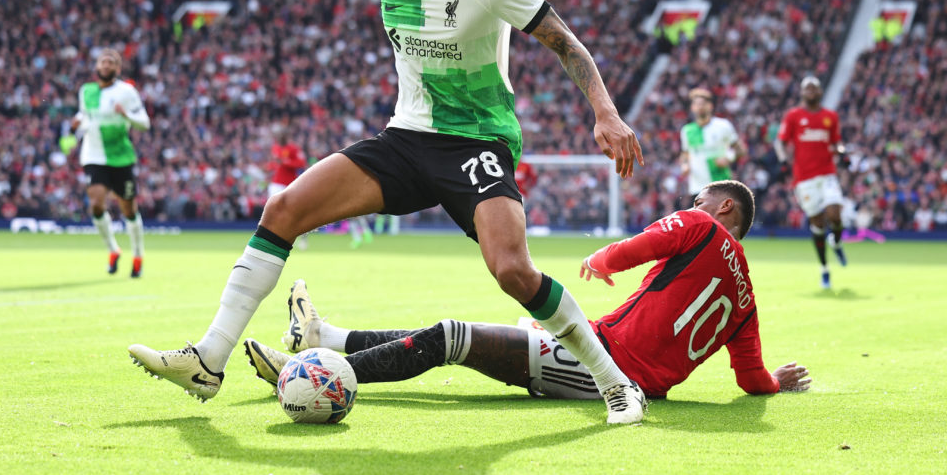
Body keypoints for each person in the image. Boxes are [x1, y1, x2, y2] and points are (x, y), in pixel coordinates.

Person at [128, 0, 647, 424]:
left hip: (475, 140)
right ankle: (209, 359)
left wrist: (605, 112)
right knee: (283, 210)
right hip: (405, 137)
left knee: (513, 271)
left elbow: (564, 41)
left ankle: (615, 385)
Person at [244, 180, 811, 405]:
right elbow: (750, 379)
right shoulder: (747, 300)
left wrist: (601, 257)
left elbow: (644, 244)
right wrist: (776, 385)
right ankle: (323, 336)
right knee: (473, 337)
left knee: (453, 337)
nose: (691, 205)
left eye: (699, 199)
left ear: (724, 208)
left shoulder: (703, 226)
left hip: (605, 369)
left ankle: (314, 373)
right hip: (599, 350)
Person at [71, 48, 151, 277]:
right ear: (97, 66)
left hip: (120, 157)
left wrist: (126, 115)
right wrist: (76, 123)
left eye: (111, 62)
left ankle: (137, 255)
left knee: (129, 209)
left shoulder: (126, 91)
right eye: (102, 61)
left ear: (117, 68)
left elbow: (144, 123)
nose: (106, 65)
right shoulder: (86, 91)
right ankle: (113, 249)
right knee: (96, 203)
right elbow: (85, 115)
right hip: (93, 155)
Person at [774, 76, 847, 289]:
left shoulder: (830, 116)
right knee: (817, 223)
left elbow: (836, 142)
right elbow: (780, 141)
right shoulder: (794, 115)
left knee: (834, 212)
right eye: (808, 88)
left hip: (827, 174)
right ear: (802, 92)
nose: (812, 91)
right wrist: (782, 161)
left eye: (815, 88)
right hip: (804, 179)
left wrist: (843, 153)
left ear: (820, 92)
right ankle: (824, 269)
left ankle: (837, 241)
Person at [679, 87, 743, 203]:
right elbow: (685, 153)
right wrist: (684, 165)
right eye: (697, 104)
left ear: (710, 106)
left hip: (721, 183)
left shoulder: (723, 126)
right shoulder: (687, 131)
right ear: (692, 108)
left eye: (703, 103)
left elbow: (740, 149)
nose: (700, 107)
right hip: (698, 187)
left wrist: (729, 158)